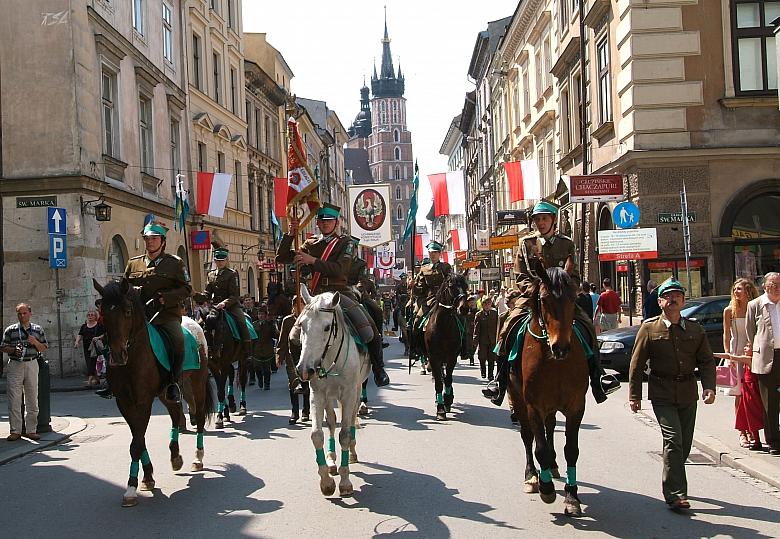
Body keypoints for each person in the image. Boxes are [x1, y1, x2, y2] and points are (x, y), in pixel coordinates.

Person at [484, 201, 620, 405]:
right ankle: (500, 379)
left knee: (586, 325)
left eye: (544, 219)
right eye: (537, 219)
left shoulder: (566, 243)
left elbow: (575, 275)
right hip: (533, 297)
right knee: (508, 323)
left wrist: (567, 289)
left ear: (553, 220)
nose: (541, 222)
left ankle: (598, 377)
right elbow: (520, 275)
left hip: (561, 298)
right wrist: (536, 290)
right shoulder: (526, 243)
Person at [276, 203, 389, 387]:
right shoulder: (310, 243)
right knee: (293, 337)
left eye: (329, 221)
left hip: (340, 293)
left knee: (369, 328)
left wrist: (312, 260)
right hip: (316, 295)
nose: (325, 223)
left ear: (336, 223)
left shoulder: (346, 243)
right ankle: (301, 375)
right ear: (318, 223)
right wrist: (290, 234)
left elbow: (339, 269)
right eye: (322, 221)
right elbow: (281, 257)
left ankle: (378, 369)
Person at [629, 278, 716, 510]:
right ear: (660, 302)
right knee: (674, 440)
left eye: (677, 296)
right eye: (668, 296)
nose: (673, 299)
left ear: (683, 301)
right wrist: (635, 395)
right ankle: (676, 494)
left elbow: (706, 361)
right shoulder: (649, 328)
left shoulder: (695, 329)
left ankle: (673, 474)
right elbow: (636, 364)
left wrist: (709, 387)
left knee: (683, 445)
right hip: (662, 392)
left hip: (688, 392)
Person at [123, 220, 192, 402]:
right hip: (139, 316)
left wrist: (166, 297)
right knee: (115, 338)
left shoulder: (175, 263)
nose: (150, 242)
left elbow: (187, 289)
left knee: (178, 340)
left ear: (162, 241)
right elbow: (123, 288)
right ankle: (113, 380)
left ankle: (173, 383)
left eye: (154, 238)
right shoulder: (133, 263)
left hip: (165, 315)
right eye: (147, 238)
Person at [724, 278, 763, 450]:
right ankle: (742, 431)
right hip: (736, 352)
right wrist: (728, 355)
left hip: (752, 352)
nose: (736, 292)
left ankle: (753, 430)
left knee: (753, 395)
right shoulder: (729, 310)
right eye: (735, 289)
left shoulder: (755, 308)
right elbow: (726, 334)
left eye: (739, 289)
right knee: (739, 394)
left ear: (748, 291)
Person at [745, 272, 780, 455]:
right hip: (767, 358)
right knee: (770, 403)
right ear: (765, 286)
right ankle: (774, 441)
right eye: (773, 284)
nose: (777, 288)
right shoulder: (755, 305)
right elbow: (750, 332)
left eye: (779, 284)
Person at [2, 303, 48, 441]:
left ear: (30, 313)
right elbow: (3, 347)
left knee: (32, 397)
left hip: (31, 363)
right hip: (15, 364)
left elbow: (44, 347)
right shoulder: (10, 330)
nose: (22, 316)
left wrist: (35, 342)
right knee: (14, 398)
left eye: (24, 313)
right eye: (19, 314)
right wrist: (13, 350)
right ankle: (15, 430)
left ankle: (31, 430)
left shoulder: (37, 330)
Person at [205, 245, 253, 363]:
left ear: (226, 260)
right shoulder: (210, 275)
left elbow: (234, 295)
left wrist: (224, 303)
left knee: (242, 322)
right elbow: (207, 293)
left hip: (231, 306)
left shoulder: (232, 274)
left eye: (222, 260)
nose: (220, 262)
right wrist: (195, 294)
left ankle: (247, 351)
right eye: (218, 260)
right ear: (215, 260)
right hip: (215, 307)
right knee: (202, 322)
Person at [409, 241, 452, 359]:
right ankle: (417, 348)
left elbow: (451, 282)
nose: (432, 255)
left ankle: (464, 347)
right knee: (417, 322)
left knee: (460, 320)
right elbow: (419, 290)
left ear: (440, 254)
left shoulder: (446, 267)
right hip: (429, 300)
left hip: (445, 299)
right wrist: (413, 286)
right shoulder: (424, 269)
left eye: (435, 253)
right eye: (431, 253)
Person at [276, 300, 310, 424]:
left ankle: (306, 411)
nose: (299, 307)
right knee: (293, 383)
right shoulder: (288, 320)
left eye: (302, 305)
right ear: (293, 307)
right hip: (291, 358)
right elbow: (282, 339)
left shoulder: (309, 318)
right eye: (296, 305)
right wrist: (279, 355)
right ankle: (295, 412)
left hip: (306, 357)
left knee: (306, 383)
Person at [74, 309, 105, 387]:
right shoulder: (84, 326)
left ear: (95, 316)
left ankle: (89, 381)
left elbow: (104, 334)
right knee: (89, 363)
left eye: (92, 315)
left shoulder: (99, 325)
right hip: (87, 347)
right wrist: (77, 342)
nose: (90, 316)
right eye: (89, 315)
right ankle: (97, 379)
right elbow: (80, 334)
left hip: (95, 347)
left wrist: (98, 338)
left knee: (92, 363)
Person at [252, 307, 278, 390]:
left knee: (267, 369)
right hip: (256, 350)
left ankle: (267, 384)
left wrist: (274, 326)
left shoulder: (270, 324)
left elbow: (275, 335)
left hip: (267, 349)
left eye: (262, 314)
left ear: (266, 316)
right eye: (259, 314)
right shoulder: (254, 324)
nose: (260, 316)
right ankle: (260, 379)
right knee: (257, 368)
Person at [473, 296, 498, 380]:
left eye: (489, 304)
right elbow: (476, 329)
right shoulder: (479, 315)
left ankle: (490, 374)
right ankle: (483, 371)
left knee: (491, 358)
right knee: (482, 357)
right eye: (485, 304)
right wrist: (475, 340)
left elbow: (497, 326)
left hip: (492, 340)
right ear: (482, 305)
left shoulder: (495, 313)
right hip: (482, 340)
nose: (487, 306)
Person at [463, 295, 478, 366]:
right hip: (468, 330)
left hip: (476, 330)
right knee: (469, 345)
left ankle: (472, 354)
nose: (472, 303)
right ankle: (471, 357)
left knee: (475, 345)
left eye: (473, 302)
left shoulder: (477, 311)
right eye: (470, 302)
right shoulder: (465, 311)